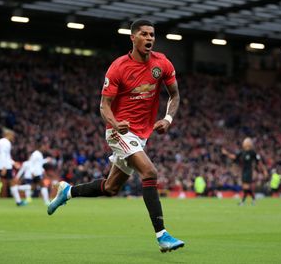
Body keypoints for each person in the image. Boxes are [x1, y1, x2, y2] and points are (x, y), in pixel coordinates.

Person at [47, 19, 184, 252]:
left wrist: (168, 119)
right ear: (133, 37)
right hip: (119, 131)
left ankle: (68, 191)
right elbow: (104, 105)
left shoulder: (162, 63)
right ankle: (162, 236)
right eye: (144, 34)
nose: (149, 38)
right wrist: (114, 122)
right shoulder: (118, 67)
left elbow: (175, 95)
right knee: (149, 172)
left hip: (141, 135)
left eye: (152, 34)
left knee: (111, 188)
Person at [222, 137, 267, 206]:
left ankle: (244, 201)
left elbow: (259, 162)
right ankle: (252, 200)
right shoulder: (242, 152)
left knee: (246, 187)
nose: (244, 143)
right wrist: (226, 153)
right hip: (243, 171)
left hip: (249, 171)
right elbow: (234, 157)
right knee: (245, 188)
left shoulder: (252, 153)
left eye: (246, 142)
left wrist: (264, 171)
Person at [0, 128, 25, 207]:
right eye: (12, 135)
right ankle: (18, 202)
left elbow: (4, 155)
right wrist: (4, 167)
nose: (13, 137)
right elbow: (4, 155)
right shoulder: (7, 142)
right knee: (12, 182)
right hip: (6, 166)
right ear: (8, 135)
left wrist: (14, 163)